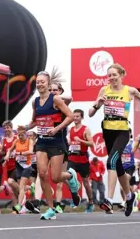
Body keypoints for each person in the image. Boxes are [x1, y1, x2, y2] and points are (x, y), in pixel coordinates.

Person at [89, 63, 140, 217]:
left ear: (121, 75)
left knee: (111, 161)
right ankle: (129, 196)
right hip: (108, 130)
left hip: (122, 131)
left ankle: (109, 199)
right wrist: (97, 105)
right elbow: (90, 113)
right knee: (118, 167)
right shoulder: (104, 90)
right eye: (109, 75)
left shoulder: (129, 91)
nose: (111, 78)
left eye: (114, 75)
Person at [24, 70, 79, 220]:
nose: (40, 84)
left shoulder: (56, 99)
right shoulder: (35, 102)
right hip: (41, 142)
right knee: (42, 174)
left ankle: (70, 175)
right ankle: (50, 209)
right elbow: (35, 120)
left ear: (48, 84)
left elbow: (70, 116)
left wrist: (56, 129)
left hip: (56, 143)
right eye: (38, 82)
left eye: (42, 81)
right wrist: (26, 128)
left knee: (55, 177)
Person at [49, 81, 73, 213]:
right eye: (50, 90)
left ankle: (58, 204)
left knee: (58, 179)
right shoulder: (44, 105)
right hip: (45, 143)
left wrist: (57, 97)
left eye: (55, 90)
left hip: (60, 143)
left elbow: (70, 98)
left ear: (60, 91)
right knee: (42, 174)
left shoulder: (62, 103)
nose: (52, 92)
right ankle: (39, 203)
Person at [67, 109, 94, 212]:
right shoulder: (71, 129)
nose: (75, 118)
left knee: (86, 183)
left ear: (82, 117)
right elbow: (71, 142)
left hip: (82, 158)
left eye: (77, 116)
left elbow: (91, 144)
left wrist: (81, 140)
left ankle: (90, 202)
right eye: (74, 116)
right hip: (72, 157)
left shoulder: (86, 129)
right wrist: (70, 142)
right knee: (67, 174)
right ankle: (75, 195)